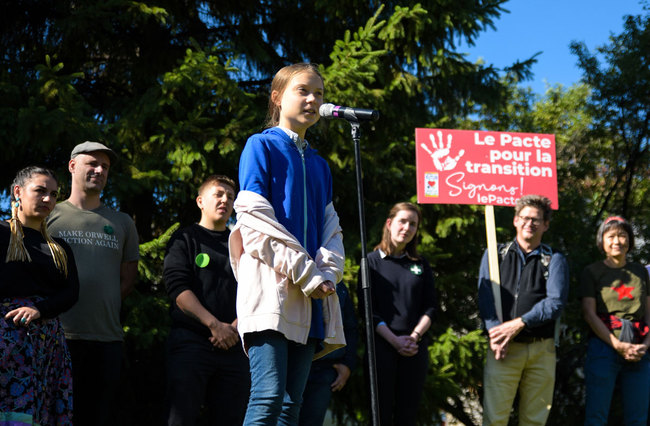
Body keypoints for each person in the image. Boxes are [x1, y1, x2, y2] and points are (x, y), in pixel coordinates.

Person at [228, 62, 346, 425]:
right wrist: (309, 274)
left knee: (290, 407)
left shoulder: (320, 165)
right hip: (272, 289)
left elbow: (331, 229)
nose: (313, 99)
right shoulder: (260, 146)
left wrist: (327, 271)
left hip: (310, 299)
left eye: (320, 93)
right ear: (277, 98)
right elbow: (254, 222)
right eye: (303, 91)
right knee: (266, 397)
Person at [47, 141, 140, 426]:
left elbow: (127, 278)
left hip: (106, 339)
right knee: (53, 415)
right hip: (57, 337)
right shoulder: (49, 216)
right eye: (92, 163)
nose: (99, 170)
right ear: (73, 166)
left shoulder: (123, 222)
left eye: (105, 167)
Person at [163, 175, 250, 425]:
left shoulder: (242, 244)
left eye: (231, 197)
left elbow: (255, 290)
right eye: (219, 194)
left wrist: (233, 328)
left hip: (235, 344)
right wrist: (214, 325)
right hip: (190, 343)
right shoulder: (185, 239)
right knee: (180, 417)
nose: (225, 200)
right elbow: (178, 288)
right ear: (201, 201)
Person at [478, 194, 569, 425]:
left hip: (541, 350)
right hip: (503, 348)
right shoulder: (495, 254)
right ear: (515, 220)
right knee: (495, 418)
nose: (530, 223)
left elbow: (555, 302)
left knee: (534, 420)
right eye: (525, 218)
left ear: (545, 225)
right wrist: (496, 334)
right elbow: (485, 297)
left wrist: (518, 324)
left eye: (536, 220)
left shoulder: (555, 259)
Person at [0, 166, 79, 425]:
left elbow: (71, 292)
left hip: (48, 343)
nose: (48, 199)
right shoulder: (1, 234)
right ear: (18, 192)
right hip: (6, 341)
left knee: (43, 411)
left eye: (54, 194)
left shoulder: (59, 247)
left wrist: (40, 310)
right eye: (40, 191)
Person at [359, 201, 436, 426]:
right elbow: (367, 310)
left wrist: (414, 338)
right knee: (378, 416)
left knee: (407, 416)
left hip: (414, 348)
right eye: (403, 221)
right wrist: (394, 341)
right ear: (389, 223)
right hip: (381, 348)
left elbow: (430, 307)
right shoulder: (370, 262)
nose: (407, 228)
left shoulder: (421, 265)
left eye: (413, 224)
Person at [581, 216, 650, 425]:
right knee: (596, 416)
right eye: (611, 236)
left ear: (629, 240)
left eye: (622, 235)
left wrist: (646, 345)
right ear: (601, 241)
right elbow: (589, 313)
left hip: (639, 349)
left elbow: (649, 311)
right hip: (603, 349)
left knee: (638, 419)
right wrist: (617, 345)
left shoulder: (640, 272)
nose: (617, 241)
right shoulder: (591, 272)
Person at [300, 282, 358, 426]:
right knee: (285, 417)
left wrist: (348, 364)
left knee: (313, 421)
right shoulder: (297, 274)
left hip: (325, 369)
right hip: (295, 364)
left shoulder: (339, 285)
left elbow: (350, 327)